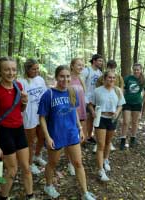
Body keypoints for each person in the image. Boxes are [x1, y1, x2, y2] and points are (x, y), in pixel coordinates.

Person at [38, 66, 96, 200]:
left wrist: (80, 129)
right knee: (52, 163)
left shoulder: (72, 91)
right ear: (56, 77)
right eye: (62, 76)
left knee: (78, 163)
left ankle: (85, 193)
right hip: (56, 135)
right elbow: (42, 117)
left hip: (71, 133)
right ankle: (48, 185)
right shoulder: (49, 94)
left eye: (68, 76)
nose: (65, 79)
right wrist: (47, 137)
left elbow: (74, 111)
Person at [0, 57, 35, 200]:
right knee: (12, 170)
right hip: (4, 132)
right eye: (6, 69)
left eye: (13, 69)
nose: (10, 72)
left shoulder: (18, 85)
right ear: (0, 71)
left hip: (19, 130)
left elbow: (20, 110)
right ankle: (3, 196)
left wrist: (25, 102)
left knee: (26, 167)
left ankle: (30, 196)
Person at [89, 71, 125, 181]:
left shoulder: (118, 90)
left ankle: (105, 159)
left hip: (112, 119)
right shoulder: (97, 91)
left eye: (113, 78)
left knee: (108, 142)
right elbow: (90, 104)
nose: (112, 79)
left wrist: (117, 113)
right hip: (100, 118)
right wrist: (92, 112)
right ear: (104, 78)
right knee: (101, 144)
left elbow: (120, 105)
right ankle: (100, 170)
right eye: (109, 77)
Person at [19, 59, 47, 175]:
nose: (36, 71)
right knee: (30, 141)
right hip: (28, 115)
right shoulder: (21, 82)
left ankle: (37, 156)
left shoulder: (40, 79)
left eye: (37, 68)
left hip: (40, 114)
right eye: (33, 69)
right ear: (27, 69)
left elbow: (45, 95)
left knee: (42, 137)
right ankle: (30, 164)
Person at [95, 59, 124, 152]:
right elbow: (98, 89)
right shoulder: (102, 77)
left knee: (111, 127)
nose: (112, 70)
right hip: (102, 106)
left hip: (114, 104)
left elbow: (121, 88)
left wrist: (118, 98)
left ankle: (108, 143)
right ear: (107, 67)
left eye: (113, 68)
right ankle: (98, 143)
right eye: (110, 68)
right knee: (99, 128)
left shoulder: (119, 77)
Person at [120, 63, 145, 150]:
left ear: (141, 70)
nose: (136, 71)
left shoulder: (144, 80)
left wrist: (142, 101)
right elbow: (123, 90)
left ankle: (133, 138)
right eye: (135, 69)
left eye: (138, 69)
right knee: (126, 122)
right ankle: (123, 139)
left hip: (137, 103)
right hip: (127, 102)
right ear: (133, 70)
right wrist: (121, 100)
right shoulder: (128, 78)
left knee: (135, 122)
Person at [66, 58, 86, 176]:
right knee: (71, 139)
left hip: (81, 112)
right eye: (78, 65)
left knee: (79, 138)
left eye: (82, 65)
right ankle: (70, 163)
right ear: (72, 66)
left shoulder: (80, 79)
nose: (81, 67)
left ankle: (76, 160)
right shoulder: (68, 79)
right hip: (71, 113)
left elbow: (83, 97)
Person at [81, 54, 103, 144]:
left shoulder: (100, 73)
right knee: (85, 119)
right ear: (94, 61)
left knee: (92, 119)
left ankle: (89, 136)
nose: (101, 63)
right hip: (86, 98)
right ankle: (83, 138)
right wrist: (84, 97)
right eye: (99, 61)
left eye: (102, 61)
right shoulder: (86, 71)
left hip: (95, 99)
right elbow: (81, 83)